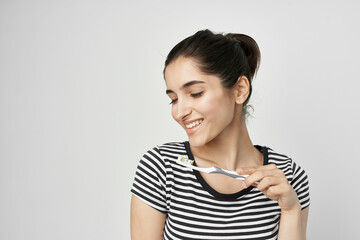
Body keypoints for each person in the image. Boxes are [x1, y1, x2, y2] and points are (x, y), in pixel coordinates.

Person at [130, 29, 310, 240]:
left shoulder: (288, 176)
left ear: (240, 90)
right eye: (174, 99)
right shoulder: (161, 167)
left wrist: (290, 211)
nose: (179, 112)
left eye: (195, 93)